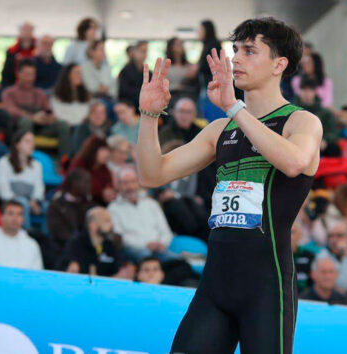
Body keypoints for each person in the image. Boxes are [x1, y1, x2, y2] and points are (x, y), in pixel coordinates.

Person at [138, 18, 322, 353]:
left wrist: (234, 107)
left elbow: (294, 163)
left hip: (266, 287)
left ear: (280, 64)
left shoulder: (301, 121)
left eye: (250, 51)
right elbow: (152, 175)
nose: (236, 58)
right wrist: (149, 116)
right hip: (215, 285)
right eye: (235, 50)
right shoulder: (220, 129)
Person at [1, 59, 71, 157]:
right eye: (26, 74)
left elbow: (49, 110)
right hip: (18, 130)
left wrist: (48, 117)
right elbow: (10, 110)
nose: (30, 78)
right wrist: (32, 117)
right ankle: (26, 158)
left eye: (32, 74)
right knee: (26, 121)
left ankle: (64, 161)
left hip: (41, 127)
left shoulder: (40, 93)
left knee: (63, 124)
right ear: (18, 74)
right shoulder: (9, 92)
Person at [108, 168, 177, 263]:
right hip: (135, 249)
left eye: (133, 182)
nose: (130, 187)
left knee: (178, 261)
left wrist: (161, 243)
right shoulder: (113, 208)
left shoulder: (151, 204)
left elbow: (165, 231)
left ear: (138, 183)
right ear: (118, 185)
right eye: (125, 183)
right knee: (146, 258)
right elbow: (119, 237)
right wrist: (146, 245)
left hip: (159, 247)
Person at [57, 206, 135, 279]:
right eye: (107, 221)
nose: (112, 225)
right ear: (93, 225)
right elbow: (61, 269)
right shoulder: (76, 244)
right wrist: (70, 268)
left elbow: (119, 270)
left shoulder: (111, 245)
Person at [0, 130, 44, 228]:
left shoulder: (36, 165)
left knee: (48, 207)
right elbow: (3, 189)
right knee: (22, 204)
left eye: (32, 142)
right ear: (17, 145)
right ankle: (26, 233)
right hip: (9, 202)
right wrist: (19, 201)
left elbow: (39, 187)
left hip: (30, 201)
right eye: (27, 141)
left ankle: (46, 238)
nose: (32, 145)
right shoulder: (4, 162)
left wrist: (35, 201)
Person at [0, 200, 43, 270]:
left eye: (19, 214)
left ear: (23, 219)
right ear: (1, 217)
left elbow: (37, 273)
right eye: (10, 214)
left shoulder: (32, 244)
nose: (15, 218)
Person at [46, 168, 95, 249]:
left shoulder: (90, 205)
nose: (89, 186)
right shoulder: (57, 205)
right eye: (86, 182)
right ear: (74, 183)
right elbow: (58, 231)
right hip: (63, 248)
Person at [294, 78, 339, 153]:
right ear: (300, 92)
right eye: (304, 90)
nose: (307, 93)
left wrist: (325, 140)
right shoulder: (293, 111)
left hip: (320, 146)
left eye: (310, 90)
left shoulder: (325, 113)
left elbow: (333, 131)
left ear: (314, 92)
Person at [68, 136, 115, 206]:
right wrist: (101, 192)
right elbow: (79, 189)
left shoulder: (104, 168)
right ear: (93, 151)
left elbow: (109, 186)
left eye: (107, 150)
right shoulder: (79, 165)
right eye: (103, 150)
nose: (107, 154)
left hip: (98, 204)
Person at [1, 21, 36, 87]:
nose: (26, 33)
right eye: (24, 30)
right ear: (20, 32)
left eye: (29, 30)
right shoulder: (12, 50)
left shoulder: (38, 50)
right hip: (15, 85)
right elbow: (6, 72)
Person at [118, 41, 149, 108]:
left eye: (145, 51)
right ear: (134, 52)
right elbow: (123, 91)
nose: (143, 54)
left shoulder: (149, 72)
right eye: (141, 51)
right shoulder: (125, 71)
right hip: (130, 104)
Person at [290, 222, 316, 293]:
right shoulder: (274, 256)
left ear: (299, 235)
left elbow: (313, 283)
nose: (288, 235)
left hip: (304, 299)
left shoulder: (309, 256)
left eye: (292, 232)